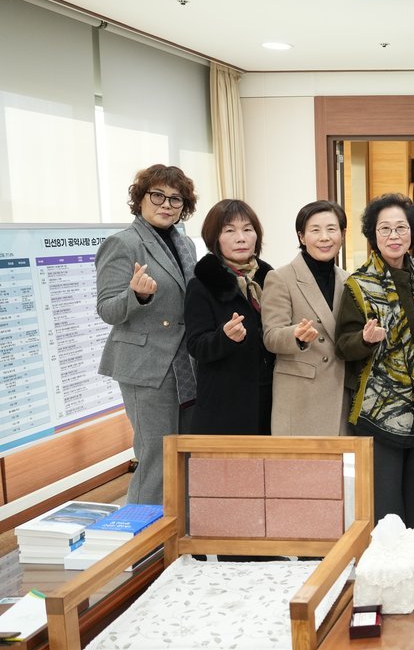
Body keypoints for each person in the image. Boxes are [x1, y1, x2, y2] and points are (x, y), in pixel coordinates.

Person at [335, 193, 414, 536]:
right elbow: (344, 344)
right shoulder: (359, 283)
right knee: (387, 513)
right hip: (380, 413)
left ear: (413, 233)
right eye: (385, 229)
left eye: (401, 228)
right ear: (373, 235)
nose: (394, 236)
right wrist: (366, 339)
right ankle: (387, 566)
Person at [96, 165, 198, 504]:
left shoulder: (185, 243)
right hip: (146, 366)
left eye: (175, 199)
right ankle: (143, 535)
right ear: (140, 198)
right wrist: (136, 296)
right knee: (156, 457)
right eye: (157, 195)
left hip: (184, 364)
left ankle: (178, 530)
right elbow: (107, 309)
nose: (166, 204)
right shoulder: (122, 243)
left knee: (183, 454)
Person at [184, 199, 275, 435]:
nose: (241, 238)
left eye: (247, 229)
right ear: (215, 238)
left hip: (271, 398)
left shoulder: (271, 278)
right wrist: (224, 337)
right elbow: (196, 345)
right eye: (230, 231)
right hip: (226, 404)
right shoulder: (202, 284)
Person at [262, 201, 351, 436]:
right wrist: (296, 336)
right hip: (300, 399)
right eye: (315, 230)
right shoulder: (280, 278)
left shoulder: (349, 280)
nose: (324, 237)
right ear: (302, 237)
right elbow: (271, 336)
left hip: (341, 396)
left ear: (342, 235)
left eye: (331, 229)